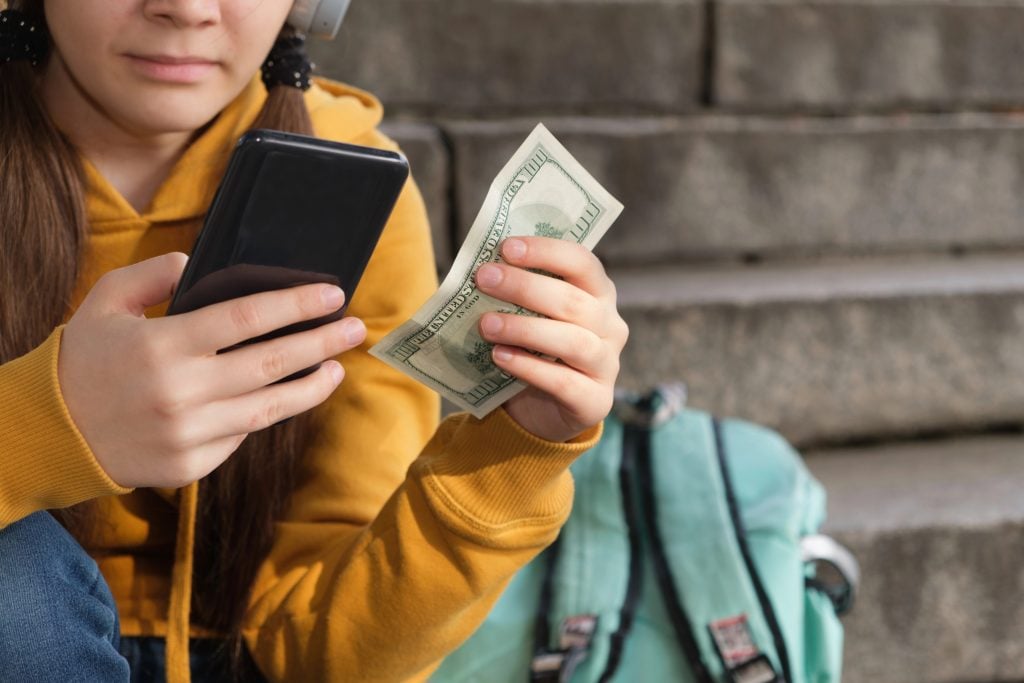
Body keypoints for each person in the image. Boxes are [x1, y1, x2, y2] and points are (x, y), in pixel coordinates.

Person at [0, 1, 629, 682]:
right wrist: (48, 423)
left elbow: (326, 653)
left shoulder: (353, 184)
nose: (186, 8)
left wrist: (516, 449)